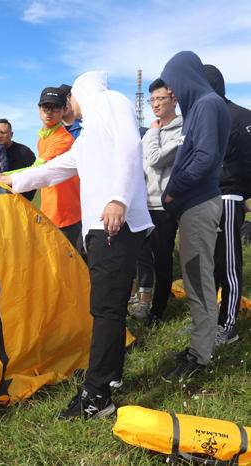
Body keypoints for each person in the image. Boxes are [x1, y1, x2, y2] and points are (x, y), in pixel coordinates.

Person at [0, 71, 152, 419]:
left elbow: (131, 146)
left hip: (114, 224)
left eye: (68, 101)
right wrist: (11, 180)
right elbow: (56, 169)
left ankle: (96, 398)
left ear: (79, 93)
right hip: (104, 227)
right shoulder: (91, 129)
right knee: (106, 306)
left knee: (105, 308)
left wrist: (118, 199)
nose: (67, 108)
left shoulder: (110, 103)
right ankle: (109, 378)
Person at [159, 51, 230, 383]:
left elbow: (203, 159)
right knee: (193, 277)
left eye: (173, 83)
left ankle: (200, 356)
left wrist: (172, 191)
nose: (171, 91)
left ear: (185, 76)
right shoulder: (203, 106)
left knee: (198, 280)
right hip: (195, 205)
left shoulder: (205, 104)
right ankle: (199, 345)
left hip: (199, 205)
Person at [204, 63, 251, 346]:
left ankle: (228, 325)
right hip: (203, 201)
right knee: (207, 266)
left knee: (229, 264)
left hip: (229, 198)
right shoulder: (202, 118)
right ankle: (208, 322)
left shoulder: (239, 117)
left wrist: (245, 197)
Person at [130, 79, 183, 325]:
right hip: (142, 205)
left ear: (174, 99)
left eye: (160, 99)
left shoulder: (182, 131)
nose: (155, 105)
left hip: (163, 207)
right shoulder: (152, 129)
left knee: (162, 259)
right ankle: (141, 299)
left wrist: (152, 131)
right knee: (140, 257)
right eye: (152, 100)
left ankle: (158, 311)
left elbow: (154, 159)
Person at [34, 87, 81, 247]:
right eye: (45, 107)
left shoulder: (64, 140)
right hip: (49, 209)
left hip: (66, 212)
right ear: (39, 109)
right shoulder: (42, 138)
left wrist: (3, 176)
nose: (49, 112)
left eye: (55, 108)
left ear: (64, 110)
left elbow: (37, 170)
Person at [0, 118, 36, 200]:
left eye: (3, 133)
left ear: (11, 134)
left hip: (18, 201)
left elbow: (33, 178)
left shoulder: (25, 153)